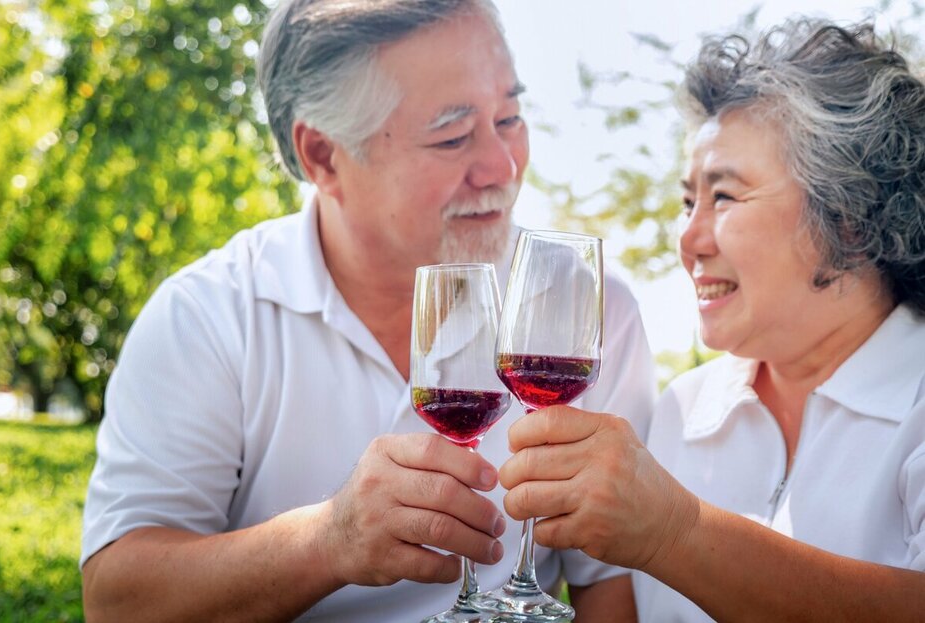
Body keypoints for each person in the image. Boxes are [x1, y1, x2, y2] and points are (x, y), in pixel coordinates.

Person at [79, 1, 657, 621]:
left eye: (510, 118)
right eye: (453, 136)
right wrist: (327, 541)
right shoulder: (210, 315)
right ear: (323, 156)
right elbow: (116, 600)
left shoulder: (581, 312)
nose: (503, 166)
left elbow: (610, 589)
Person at [497, 16, 925, 622]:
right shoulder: (683, 409)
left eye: (724, 196)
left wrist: (674, 532)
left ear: (848, 216)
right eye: (687, 201)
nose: (689, 238)